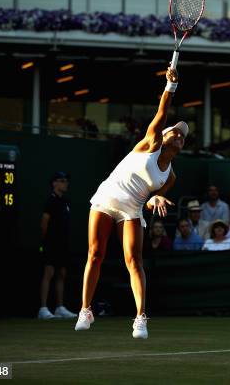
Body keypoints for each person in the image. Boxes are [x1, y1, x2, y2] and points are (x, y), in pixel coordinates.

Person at [76, 67, 183, 339]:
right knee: (95, 253)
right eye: (176, 132)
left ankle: (140, 319)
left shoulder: (169, 176)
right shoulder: (152, 141)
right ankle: (85, 310)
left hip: (132, 208)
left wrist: (155, 197)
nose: (180, 135)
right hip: (107, 197)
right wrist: (170, 86)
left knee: (134, 260)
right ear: (166, 135)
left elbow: (148, 203)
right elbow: (162, 112)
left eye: (184, 136)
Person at [37, 171, 77, 320]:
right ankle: (43, 309)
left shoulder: (65, 202)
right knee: (49, 273)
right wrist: (45, 242)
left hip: (63, 244)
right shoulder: (50, 201)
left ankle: (59, 308)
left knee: (61, 274)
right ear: (54, 184)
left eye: (66, 181)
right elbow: (44, 224)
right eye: (61, 181)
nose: (65, 183)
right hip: (50, 244)